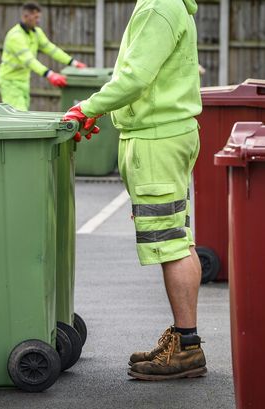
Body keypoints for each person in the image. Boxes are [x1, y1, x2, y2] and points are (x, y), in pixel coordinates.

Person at [63, 0, 207, 380]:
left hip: (156, 139)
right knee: (179, 238)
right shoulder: (167, 4)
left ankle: (187, 348)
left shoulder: (158, 6)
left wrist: (84, 108)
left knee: (170, 243)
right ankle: (184, 338)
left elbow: (134, 78)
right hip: (169, 132)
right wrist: (98, 111)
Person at [0, 2, 87, 111]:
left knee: (21, 115)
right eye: (35, 17)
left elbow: (52, 50)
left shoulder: (36, 32)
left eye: (39, 17)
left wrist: (73, 63)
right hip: (10, 82)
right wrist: (50, 74)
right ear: (26, 16)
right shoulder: (15, 36)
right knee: (18, 117)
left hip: (24, 81)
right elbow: (29, 61)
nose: (38, 20)